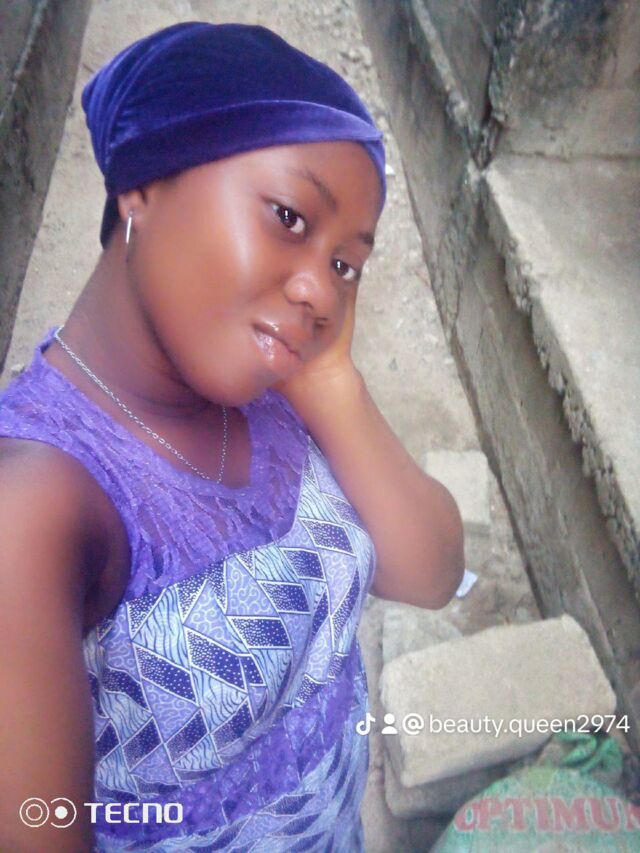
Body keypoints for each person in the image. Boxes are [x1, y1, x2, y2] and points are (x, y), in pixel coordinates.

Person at [0, 21, 465, 853]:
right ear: (143, 183)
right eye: (290, 217)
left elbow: (431, 573)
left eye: (346, 264)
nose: (319, 291)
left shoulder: (273, 394)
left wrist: (330, 380)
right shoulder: (37, 501)